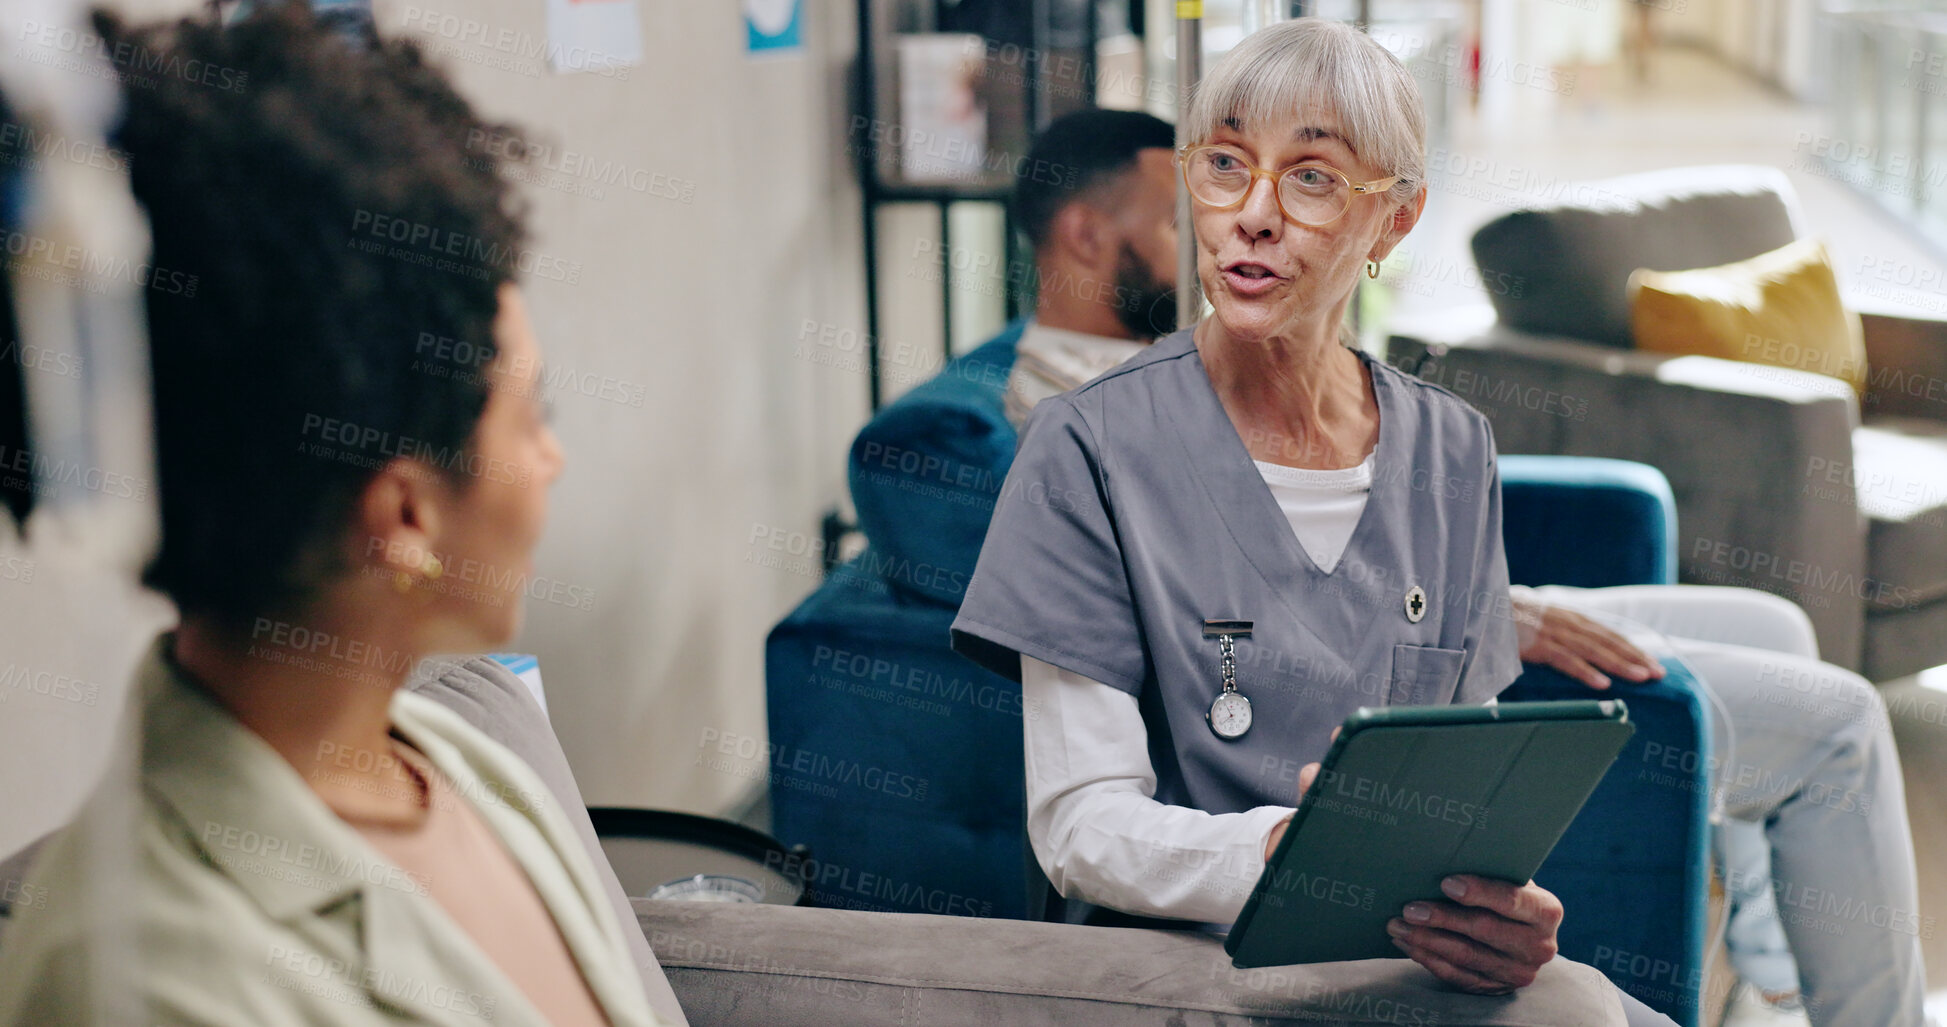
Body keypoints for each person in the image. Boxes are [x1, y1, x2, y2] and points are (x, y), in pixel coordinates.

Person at [947, 19, 1924, 1027]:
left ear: (1396, 222)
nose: (1253, 213)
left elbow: (1470, 785)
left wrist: (1502, 908)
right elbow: (1079, 827)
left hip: (1412, 953)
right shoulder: (1086, 447)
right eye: (1226, 164)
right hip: (1207, 957)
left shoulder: (1451, 447)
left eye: (1314, 177)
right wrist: (1281, 852)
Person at [0, 7, 670, 1025]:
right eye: (534, 413)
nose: (552, 457)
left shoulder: (464, 766)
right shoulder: (149, 978)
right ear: (404, 514)